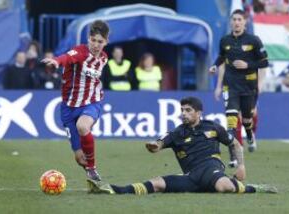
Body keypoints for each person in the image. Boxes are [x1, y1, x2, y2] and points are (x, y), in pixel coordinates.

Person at [87, 97, 277, 195]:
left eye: (188, 110)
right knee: (157, 183)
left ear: (198, 113)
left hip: (211, 168)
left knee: (223, 187)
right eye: (182, 110)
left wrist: (241, 165)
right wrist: (155, 146)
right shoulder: (177, 133)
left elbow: (235, 143)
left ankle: (254, 188)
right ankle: (113, 189)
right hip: (192, 176)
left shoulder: (213, 127)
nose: (183, 114)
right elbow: (160, 142)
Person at [41, 20, 110, 181]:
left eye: (100, 41)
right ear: (88, 39)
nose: (96, 44)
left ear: (106, 42)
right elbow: (67, 58)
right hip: (68, 108)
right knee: (80, 158)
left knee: (83, 126)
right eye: (93, 40)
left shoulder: (104, 58)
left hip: (91, 102)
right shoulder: (80, 52)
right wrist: (56, 61)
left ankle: (93, 170)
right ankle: (91, 175)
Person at [209, 9, 269, 167]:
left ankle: (249, 134)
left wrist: (248, 65)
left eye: (239, 19)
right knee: (231, 121)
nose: (236, 22)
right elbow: (222, 57)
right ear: (230, 21)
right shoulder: (225, 40)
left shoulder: (254, 40)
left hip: (249, 87)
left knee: (247, 120)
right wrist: (215, 66)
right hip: (231, 86)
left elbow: (264, 62)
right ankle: (233, 157)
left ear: (245, 22)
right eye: (234, 19)